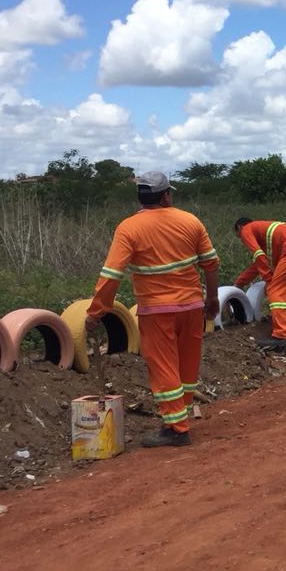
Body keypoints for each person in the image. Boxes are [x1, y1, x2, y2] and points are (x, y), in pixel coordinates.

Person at [87, 172, 220, 448]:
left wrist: (97, 311)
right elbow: (210, 263)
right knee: (186, 365)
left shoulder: (129, 228)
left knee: (164, 368)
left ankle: (177, 428)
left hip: (157, 310)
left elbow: (112, 274)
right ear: (166, 195)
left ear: (140, 197)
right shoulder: (190, 221)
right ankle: (177, 418)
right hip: (193, 306)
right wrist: (213, 299)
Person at [232, 218, 286, 350]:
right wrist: (239, 283)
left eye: (239, 236)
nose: (241, 239)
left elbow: (257, 255)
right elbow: (258, 264)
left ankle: (280, 336)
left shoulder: (246, 230)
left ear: (239, 227)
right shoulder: (265, 234)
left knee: (276, 291)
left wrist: (268, 278)